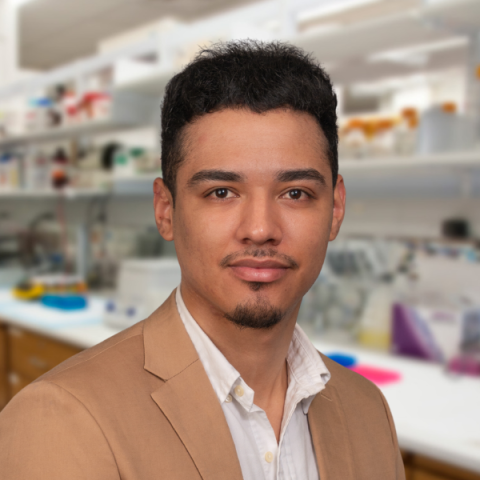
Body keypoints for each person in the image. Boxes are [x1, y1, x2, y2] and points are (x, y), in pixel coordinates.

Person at [0, 41, 405, 480]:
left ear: (336, 209)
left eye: (295, 193)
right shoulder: (63, 419)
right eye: (221, 192)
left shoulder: (369, 411)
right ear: (166, 210)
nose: (260, 228)